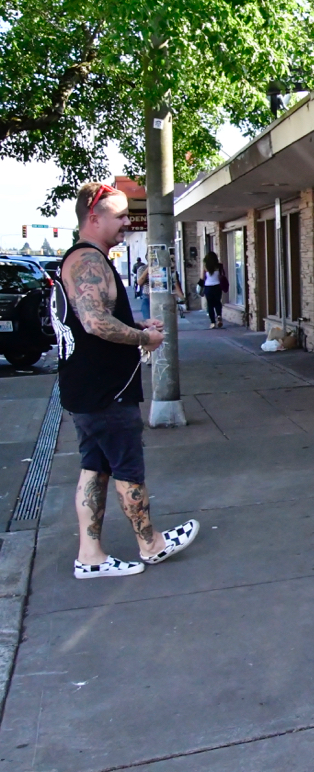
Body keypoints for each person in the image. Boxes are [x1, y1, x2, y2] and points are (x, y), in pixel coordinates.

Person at [54, 181, 199, 579]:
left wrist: (134, 323)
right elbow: (94, 321)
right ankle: (151, 544)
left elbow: (91, 319)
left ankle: (91, 555)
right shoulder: (88, 261)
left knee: (94, 469)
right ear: (93, 217)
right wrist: (144, 338)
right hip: (106, 393)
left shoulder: (81, 259)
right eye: (119, 216)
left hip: (87, 390)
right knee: (127, 469)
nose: (126, 222)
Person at [202, 252, 228, 329]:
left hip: (208, 287)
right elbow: (222, 275)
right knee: (217, 302)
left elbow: (202, 277)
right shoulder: (219, 266)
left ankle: (213, 322)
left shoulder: (205, 266)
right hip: (217, 286)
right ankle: (219, 316)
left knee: (210, 305)